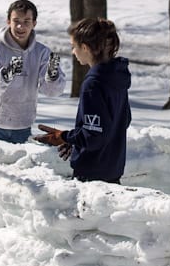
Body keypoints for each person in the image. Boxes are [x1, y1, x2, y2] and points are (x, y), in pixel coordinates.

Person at [34, 18, 131, 184]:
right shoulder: (116, 76)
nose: (73, 52)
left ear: (85, 47)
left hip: (92, 174)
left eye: (74, 46)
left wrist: (62, 136)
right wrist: (75, 140)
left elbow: (93, 135)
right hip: (113, 168)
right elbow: (121, 121)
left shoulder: (93, 83)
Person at [0, 0, 66, 143]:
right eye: (16, 20)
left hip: (22, 127)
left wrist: (52, 77)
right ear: (8, 21)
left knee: (20, 166)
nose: (20, 26)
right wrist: (6, 75)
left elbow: (52, 91)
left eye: (26, 21)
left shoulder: (41, 52)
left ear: (34, 23)